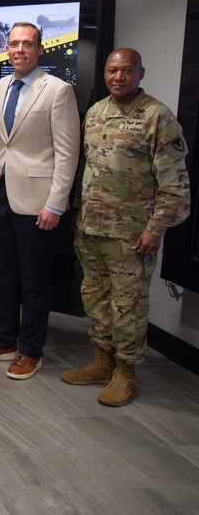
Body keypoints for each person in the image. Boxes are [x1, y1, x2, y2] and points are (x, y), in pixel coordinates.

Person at [62, 48, 190, 405]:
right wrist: (77, 210)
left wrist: (156, 228)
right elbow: (88, 169)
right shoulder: (97, 112)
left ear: (141, 73)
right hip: (91, 229)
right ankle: (102, 361)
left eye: (127, 71)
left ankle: (126, 373)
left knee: (128, 306)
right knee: (96, 298)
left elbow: (176, 185)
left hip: (132, 236)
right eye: (112, 71)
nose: (119, 77)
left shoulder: (157, 117)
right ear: (105, 73)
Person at [0, 22, 79, 380]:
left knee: (34, 281)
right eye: (13, 44)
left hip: (36, 203)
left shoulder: (58, 91)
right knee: (3, 276)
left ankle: (30, 349)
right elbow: (0, 145)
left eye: (27, 44)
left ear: (39, 49)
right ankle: (4, 339)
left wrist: (56, 204)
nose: (19, 50)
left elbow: (67, 153)